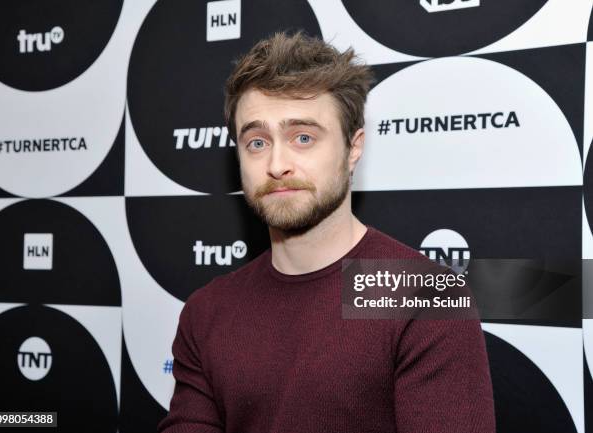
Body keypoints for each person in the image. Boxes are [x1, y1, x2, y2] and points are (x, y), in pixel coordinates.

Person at [157, 30, 495, 433]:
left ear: (354, 149)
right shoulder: (208, 310)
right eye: (257, 141)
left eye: (303, 137)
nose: (277, 163)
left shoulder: (421, 296)